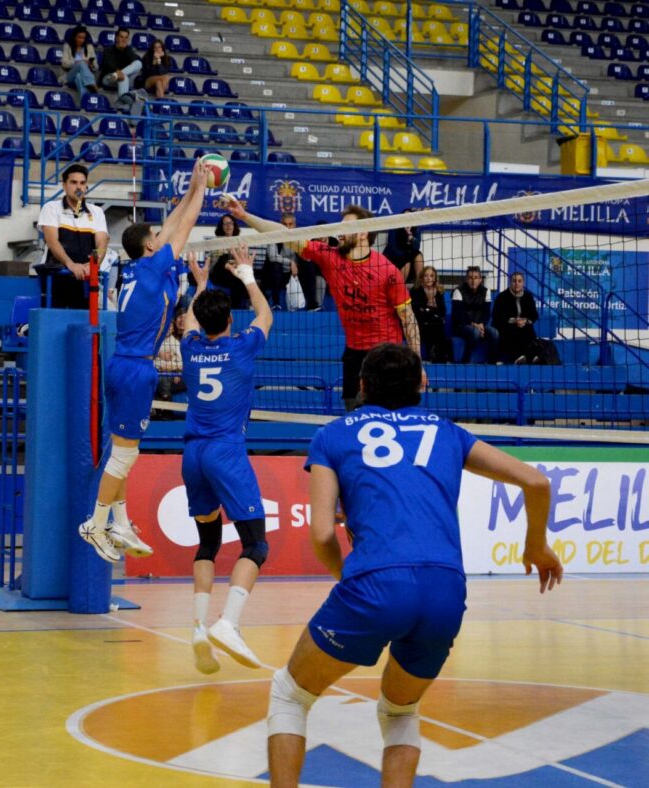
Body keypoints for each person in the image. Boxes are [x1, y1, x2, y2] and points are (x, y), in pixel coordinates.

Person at [266, 343, 564, 787]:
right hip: (445, 589)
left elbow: (323, 533)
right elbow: (536, 482)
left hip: (374, 585)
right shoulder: (448, 432)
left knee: (290, 694)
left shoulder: (332, 435)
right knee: (400, 710)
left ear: (362, 385)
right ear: (422, 383)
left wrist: (350, 579)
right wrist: (535, 546)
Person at [78, 157, 211, 562]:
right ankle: (95, 523)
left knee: (122, 451)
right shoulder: (154, 267)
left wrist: (190, 189)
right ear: (151, 246)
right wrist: (203, 189)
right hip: (136, 368)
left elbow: (171, 225)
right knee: (125, 455)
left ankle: (119, 521)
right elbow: (184, 226)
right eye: (156, 236)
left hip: (122, 363)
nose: (161, 236)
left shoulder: (137, 268)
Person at [222, 197, 422, 411]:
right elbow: (284, 234)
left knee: (390, 415)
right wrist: (244, 215)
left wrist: (417, 365)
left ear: (363, 232)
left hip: (387, 354)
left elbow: (408, 318)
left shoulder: (387, 270)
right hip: (354, 354)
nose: (339, 232)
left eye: (346, 227)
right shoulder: (330, 258)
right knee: (353, 414)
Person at [180, 244, 273, 673]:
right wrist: (248, 274)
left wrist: (200, 284)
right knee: (256, 544)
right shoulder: (241, 347)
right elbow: (266, 315)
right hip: (225, 452)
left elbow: (188, 321)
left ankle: (200, 627)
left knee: (208, 542)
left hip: (192, 454)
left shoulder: (190, 346)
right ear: (231, 320)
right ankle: (228, 624)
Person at [36, 163, 109, 309]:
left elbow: (102, 242)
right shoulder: (51, 208)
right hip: (55, 278)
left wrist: (94, 264)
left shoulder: (97, 212)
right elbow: (52, 241)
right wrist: (71, 265)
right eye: (73, 182)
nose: (78, 187)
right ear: (64, 185)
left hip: (85, 281)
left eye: (82, 183)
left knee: (85, 321)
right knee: (54, 320)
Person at [451, 266, 500, 363]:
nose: (473, 281)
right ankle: (466, 360)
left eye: (476, 278)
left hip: (480, 325)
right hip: (462, 326)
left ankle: (492, 362)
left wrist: (481, 324)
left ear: (480, 279)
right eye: (470, 278)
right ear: (466, 279)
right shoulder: (458, 291)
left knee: (494, 333)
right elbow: (459, 315)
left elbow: (486, 313)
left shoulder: (486, 291)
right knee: (475, 333)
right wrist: (473, 324)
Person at [492, 271, 540, 364]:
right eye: (514, 281)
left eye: (519, 281)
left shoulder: (528, 296)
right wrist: (515, 321)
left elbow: (534, 315)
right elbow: (497, 316)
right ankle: (519, 357)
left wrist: (525, 320)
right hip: (506, 325)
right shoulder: (502, 297)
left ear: (523, 283)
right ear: (510, 282)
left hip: (524, 324)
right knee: (515, 330)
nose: (517, 283)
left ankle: (532, 357)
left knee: (528, 329)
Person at [410, 265, 452, 362]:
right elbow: (416, 311)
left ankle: (440, 357)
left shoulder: (439, 291)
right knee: (433, 325)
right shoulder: (415, 290)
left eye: (431, 276)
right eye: (426, 276)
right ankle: (433, 355)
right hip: (419, 323)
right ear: (422, 277)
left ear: (435, 278)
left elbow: (442, 311)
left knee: (438, 325)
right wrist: (431, 311)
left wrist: (427, 310)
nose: (429, 278)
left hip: (435, 323)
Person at [208, 213, 250, 309]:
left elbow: (244, 260)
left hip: (234, 272)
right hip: (219, 273)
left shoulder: (240, 242)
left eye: (231, 223)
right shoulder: (216, 242)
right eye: (225, 223)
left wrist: (234, 263)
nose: (228, 226)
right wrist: (228, 262)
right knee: (223, 258)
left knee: (240, 278)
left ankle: (238, 309)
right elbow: (214, 263)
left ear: (234, 225)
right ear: (221, 226)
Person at [382, 209, 424, 286]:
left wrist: (410, 235)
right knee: (406, 261)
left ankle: (418, 286)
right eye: (405, 217)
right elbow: (392, 248)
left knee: (419, 255)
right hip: (393, 257)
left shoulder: (416, 229)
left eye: (409, 217)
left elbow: (416, 248)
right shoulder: (394, 228)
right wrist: (406, 255)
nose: (407, 219)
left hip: (407, 256)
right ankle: (400, 288)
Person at [155, 305, 187, 405]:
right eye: (180, 317)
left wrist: (176, 372)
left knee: (165, 379)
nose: (168, 328)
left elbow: (182, 363)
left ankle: (165, 400)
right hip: (159, 371)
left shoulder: (175, 342)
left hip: (174, 373)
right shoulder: (155, 342)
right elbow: (151, 360)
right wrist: (159, 358)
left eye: (170, 326)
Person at [99, 27, 142, 99]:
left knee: (138, 63)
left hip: (122, 77)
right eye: (121, 37)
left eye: (126, 37)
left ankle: (122, 102)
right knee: (123, 78)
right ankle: (123, 102)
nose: (124, 40)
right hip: (109, 78)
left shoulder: (128, 50)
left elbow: (136, 61)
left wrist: (125, 50)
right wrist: (117, 72)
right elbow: (108, 66)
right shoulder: (108, 50)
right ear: (116, 38)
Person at [61, 25, 98, 100]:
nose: (82, 40)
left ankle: (84, 100)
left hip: (83, 76)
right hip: (70, 75)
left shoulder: (89, 47)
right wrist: (77, 62)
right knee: (81, 63)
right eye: (79, 37)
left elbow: (96, 67)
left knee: (79, 76)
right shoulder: (67, 46)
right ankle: (91, 83)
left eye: (83, 38)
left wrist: (91, 65)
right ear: (74, 37)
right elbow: (64, 64)